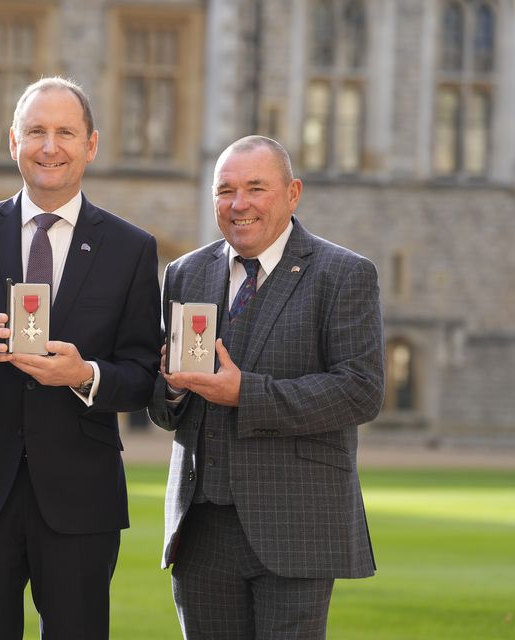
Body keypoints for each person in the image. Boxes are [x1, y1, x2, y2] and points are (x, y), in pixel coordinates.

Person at [0, 77, 161, 639]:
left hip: (82, 495)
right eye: (36, 131)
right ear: (13, 142)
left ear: (91, 144)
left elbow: (144, 376)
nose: (49, 146)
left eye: (65, 132)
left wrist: (86, 375)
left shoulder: (131, 248)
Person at [149, 135, 384, 639]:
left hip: (296, 525)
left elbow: (361, 390)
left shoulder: (344, 274)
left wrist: (245, 394)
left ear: (293, 193)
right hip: (201, 528)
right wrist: (170, 387)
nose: (239, 204)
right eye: (225, 190)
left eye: (256, 187)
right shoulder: (184, 274)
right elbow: (165, 412)